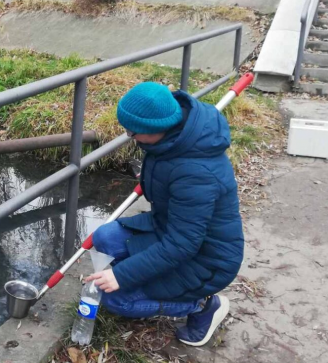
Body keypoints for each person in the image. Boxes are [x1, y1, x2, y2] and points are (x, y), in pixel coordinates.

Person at [85, 82, 244, 346]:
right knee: (105, 237)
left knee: (115, 299)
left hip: (206, 259)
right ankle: (146, 282)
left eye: (132, 132)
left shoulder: (195, 173)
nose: (130, 136)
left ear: (156, 129)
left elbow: (183, 245)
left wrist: (121, 276)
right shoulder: (174, 137)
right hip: (169, 228)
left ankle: (202, 306)